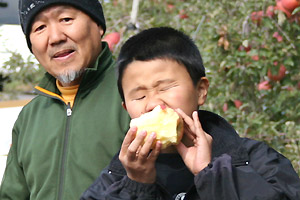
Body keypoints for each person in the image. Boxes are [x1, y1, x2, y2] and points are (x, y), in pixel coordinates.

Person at [80, 27, 300, 200]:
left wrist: (210, 173)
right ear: (127, 110)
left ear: (200, 91)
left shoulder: (256, 160)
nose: (154, 103)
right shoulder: (113, 181)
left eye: (165, 88)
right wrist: (137, 185)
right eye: (139, 97)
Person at [0, 0, 130, 199]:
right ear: (32, 47)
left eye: (66, 19)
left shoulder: (137, 94)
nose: (55, 37)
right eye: (40, 27)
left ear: (98, 26)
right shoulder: (29, 117)